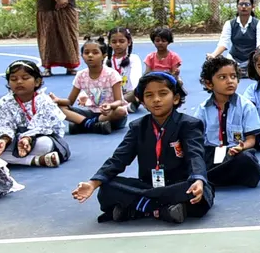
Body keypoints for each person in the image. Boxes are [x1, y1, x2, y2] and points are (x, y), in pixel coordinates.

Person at [72, 72, 210, 224]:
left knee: (198, 192)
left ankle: (137, 209)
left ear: (176, 98)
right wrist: (93, 183)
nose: (156, 100)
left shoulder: (189, 124)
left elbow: (195, 155)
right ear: (143, 102)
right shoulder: (138, 127)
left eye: (163, 94)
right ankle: (162, 210)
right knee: (107, 187)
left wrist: (198, 179)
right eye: (149, 95)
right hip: (148, 185)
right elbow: (119, 159)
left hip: (179, 184)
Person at [196, 56, 260, 189]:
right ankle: (220, 176)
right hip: (212, 152)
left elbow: (251, 140)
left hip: (236, 152)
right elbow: (197, 139)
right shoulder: (203, 109)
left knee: (246, 159)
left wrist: (241, 147)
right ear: (209, 83)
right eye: (222, 77)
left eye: (233, 76)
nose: (230, 81)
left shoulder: (246, 106)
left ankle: (211, 178)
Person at [0, 59, 71, 168]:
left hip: (37, 138)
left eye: (25, 78)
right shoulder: (5, 102)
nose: (19, 82)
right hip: (14, 139)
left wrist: (28, 138)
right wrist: (4, 140)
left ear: (37, 82)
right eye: (13, 79)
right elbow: (5, 126)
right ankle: (37, 160)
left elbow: (44, 127)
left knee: (45, 144)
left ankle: (16, 159)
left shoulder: (44, 101)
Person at [61, 38, 129, 135]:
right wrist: (56, 101)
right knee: (59, 108)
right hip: (91, 113)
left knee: (121, 111)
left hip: (110, 114)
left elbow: (119, 101)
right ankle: (93, 125)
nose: (90, 55)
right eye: (86, 52)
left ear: (104, 56)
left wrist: (110, 105)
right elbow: (69, 102)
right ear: (82, 56)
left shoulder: (112, 74)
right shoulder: (81, 75)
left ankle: (83, 124)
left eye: (95, 53)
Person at [209, 0, 260, 71]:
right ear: (237, 7)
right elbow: (223, 44)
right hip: (233, 59)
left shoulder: (259, 24)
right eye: (241, 4)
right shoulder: (229, 24)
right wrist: (213, 55)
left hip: (252, 60)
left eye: (247, 4)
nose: (243, 7)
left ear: (252, 7)